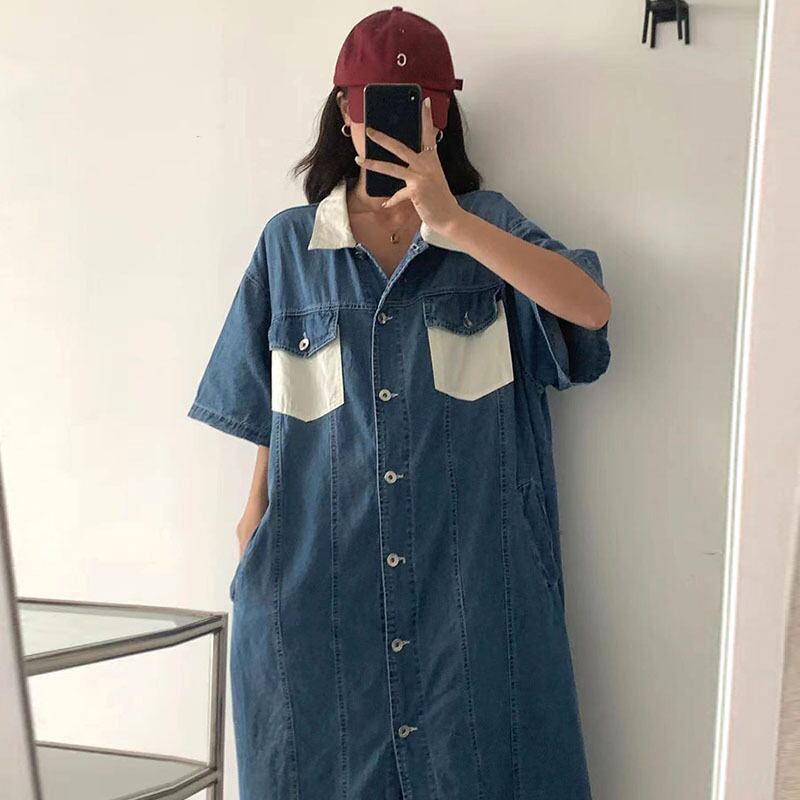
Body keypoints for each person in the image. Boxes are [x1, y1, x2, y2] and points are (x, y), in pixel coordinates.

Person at [187, 6, 611, 800]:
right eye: (371, 108)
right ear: (343, 114)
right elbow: (271, 405)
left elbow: (589, 310)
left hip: (474, 585)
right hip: (318, 580)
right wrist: (252, 522)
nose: (387, 127)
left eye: (417, 109)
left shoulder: (489, 229)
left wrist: (452, 222)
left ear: (442, 118)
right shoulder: (289, 245)